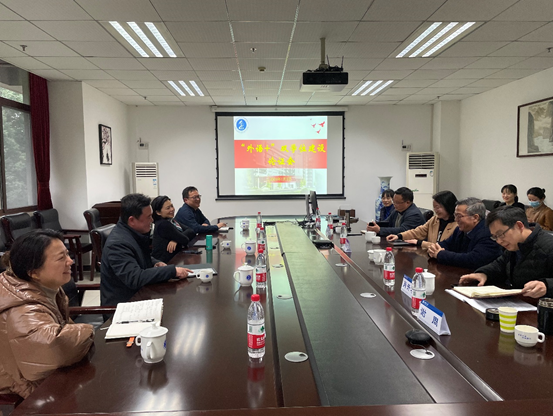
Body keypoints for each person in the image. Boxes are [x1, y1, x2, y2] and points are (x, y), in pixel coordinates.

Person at [0, 230, 94, 398]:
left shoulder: (44, 287)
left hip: (46, 377)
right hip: (27, 389)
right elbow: (54, 346)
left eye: (67, 254)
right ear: (33, 272)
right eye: (61, 258)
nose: (70, 261)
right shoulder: (22, 309)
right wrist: (89, 330)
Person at [100, 193, 193, 306]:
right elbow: (135, 278)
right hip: (123, 306)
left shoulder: (133, 233)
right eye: (148, 217)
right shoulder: (118, 244)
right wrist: (172, 271)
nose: (152, 220)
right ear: (132, 220)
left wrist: (155, 262)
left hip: (140, 296)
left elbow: (140, 256)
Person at [459, 206, 553, 298]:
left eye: (500, 234)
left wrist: (546, 286)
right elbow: (499, 265)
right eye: (495, 237)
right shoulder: (515, 245)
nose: (499, 241)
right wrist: (483, 274)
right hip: (519, 301)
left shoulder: (548, 246)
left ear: (519, 226)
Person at [427, 197, 502, 270]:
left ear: (475, 217)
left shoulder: (488, 233)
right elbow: (447, 244)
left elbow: (472, 260)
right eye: (455, 215)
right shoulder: (460, 229)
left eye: (459, 216)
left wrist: (440, 254)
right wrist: (434, 248)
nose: (456, 220)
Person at [386, 190, 458, 248]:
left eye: (438, 207)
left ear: (448, 206)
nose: (435, 210)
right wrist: (399, 236)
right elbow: (419, 231)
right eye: (434, 207)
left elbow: (444, 246)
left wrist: (420, 243)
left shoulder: (457, 225)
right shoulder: (435, 219)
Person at [151, 195, 196, 263]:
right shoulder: (163, 224)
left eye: (172, 206)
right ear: (158, 212)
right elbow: (185, 240)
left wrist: (175, 240)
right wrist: (178, 239)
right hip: (164, 263)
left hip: (174, 259)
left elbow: (191, 231)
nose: (172, 209)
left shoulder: (172, 221)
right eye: (168, 208)